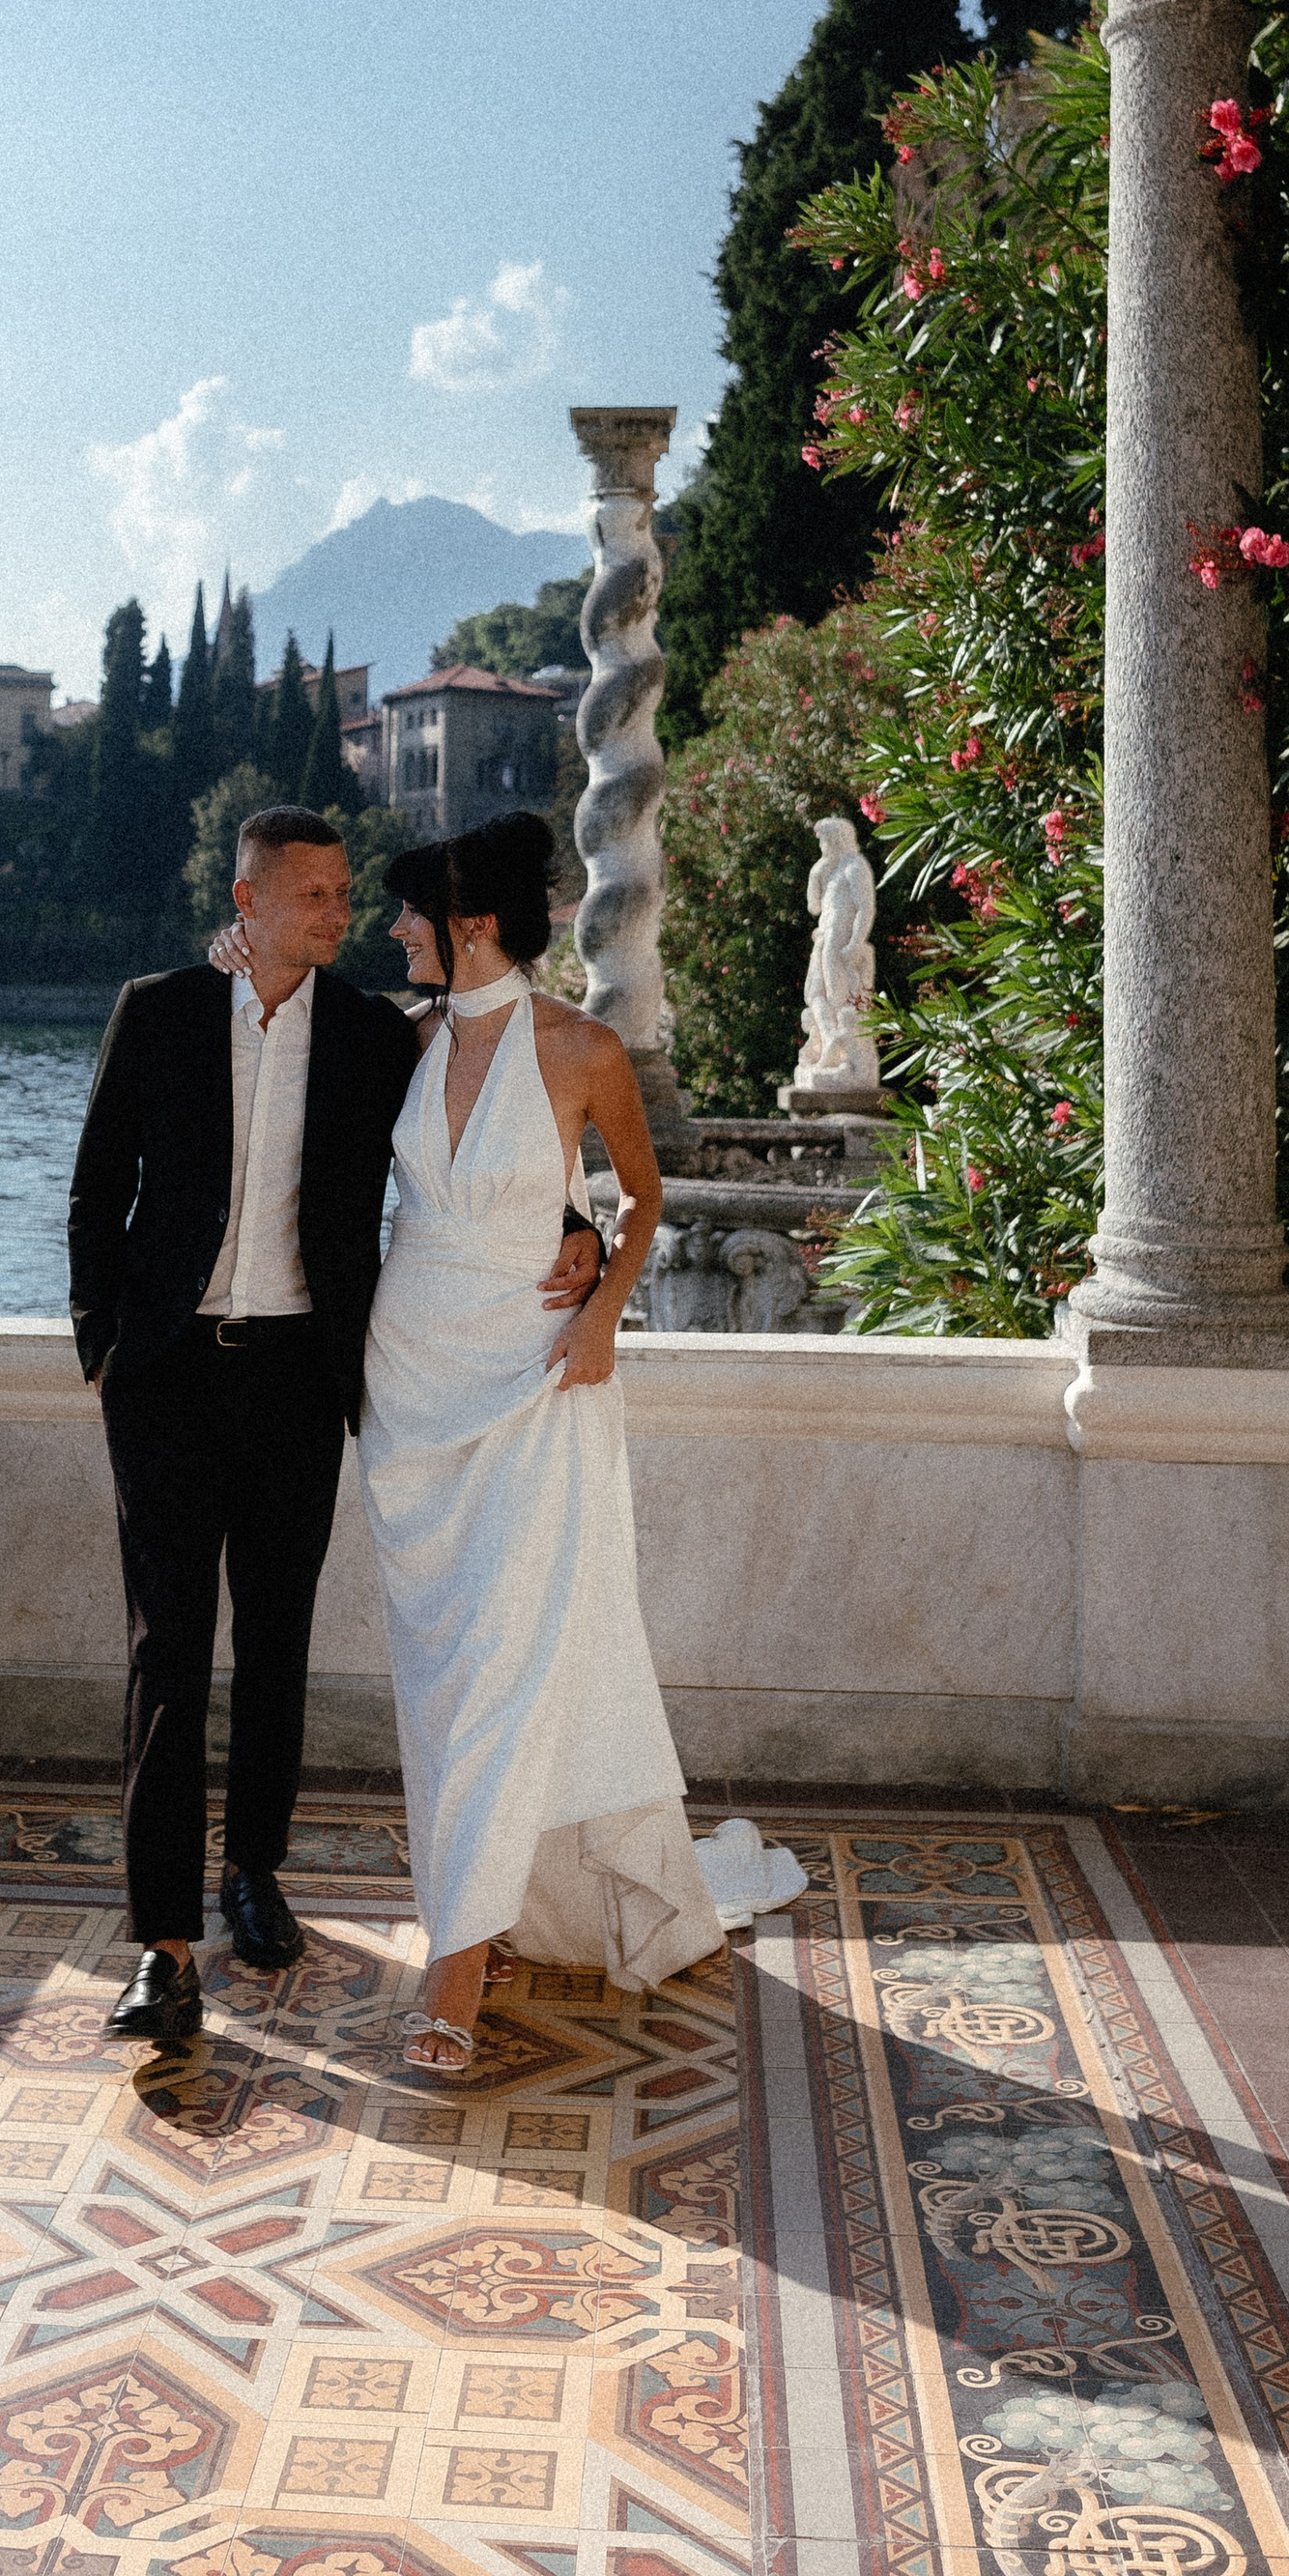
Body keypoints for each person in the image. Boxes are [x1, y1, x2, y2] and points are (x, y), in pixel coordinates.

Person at [66, 803, 604, 2049]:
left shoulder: (375, 1035)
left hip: (299, 1377)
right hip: (166, 1379)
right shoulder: (159, 1012)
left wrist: (579, 1234)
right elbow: (98, 1192)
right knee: (166, 1653)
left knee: (278, 1643)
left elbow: (504, 1131)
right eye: (312, 895)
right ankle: (161, 1946)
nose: (340, 914)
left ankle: (255, 1872)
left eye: (346, 895)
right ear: (246, 901)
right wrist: (107, 1348)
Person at [358, 815, 763, 2076]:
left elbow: (640, 1194)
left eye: (411, 910)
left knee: (502, 1670)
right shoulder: (402, 1043)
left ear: (471, 923)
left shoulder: (586, 1049)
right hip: (411, 1392)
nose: (394, 930)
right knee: (444, 1687)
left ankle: (458, 1967)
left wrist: (600, 1301)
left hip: (539, 1383)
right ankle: (504, 1902)